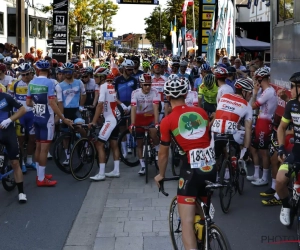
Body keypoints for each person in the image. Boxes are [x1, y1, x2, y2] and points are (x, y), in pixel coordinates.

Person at [154, 77, 216, 250]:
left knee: (187, 222)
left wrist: (161, 174)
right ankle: (207, 236)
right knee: (202, 214)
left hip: (191, 171)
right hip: (210, 166)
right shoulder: (202, 112)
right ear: (186, 93)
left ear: (167, 96)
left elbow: (163, 153)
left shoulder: (167, 121)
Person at [26, 60, 73, 186]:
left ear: (37, 70)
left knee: (38, 146)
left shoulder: (31, 82)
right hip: (47, 119)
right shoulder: (50, 82)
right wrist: (63, 118)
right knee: (44, 149)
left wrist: (38, 105)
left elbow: (28, 103)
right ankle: (41, 179)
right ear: (49, 70)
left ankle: (39, 175)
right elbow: (52, 103)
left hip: (36, 117)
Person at [211, 78, 254, 174]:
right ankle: (239, 159)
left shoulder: (224, 96)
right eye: (250, 93)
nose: (251, 95)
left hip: (215, 132)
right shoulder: (247, 105)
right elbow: (248, 128)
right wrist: (246, 149)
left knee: (216, 156)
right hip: (232, 136)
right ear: (243, 91)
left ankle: (218, 174)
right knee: (246, 133)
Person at [276, 72, 300, 226]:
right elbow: (281, 128)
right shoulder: (292, 104)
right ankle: (286, 205)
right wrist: (281, 149)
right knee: (279, 181)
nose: (290, 89)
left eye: (292, 86)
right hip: (297, 151)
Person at [89, 73, 122, 181]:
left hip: (110, 119)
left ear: (102, 77)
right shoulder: (110, 85)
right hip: (115, 117)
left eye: (96, 77)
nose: (94, 79)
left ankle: (101, 173)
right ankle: (116, 170)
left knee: (99, 144)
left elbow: (99, 105)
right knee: (114, 143)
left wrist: (93, 121)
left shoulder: (103, 87)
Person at [248, 67, 277, 186]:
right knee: (254, 148)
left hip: (265, 123)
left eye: (256, 79)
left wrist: (254, 93)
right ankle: (256, 174)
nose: (255, 82)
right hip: (261, 121)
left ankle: (264, 178)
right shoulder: (265, 90)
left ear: (261, 79)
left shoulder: (269, 92)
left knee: (263, 152)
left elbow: (252, 106)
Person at [55, 62, 87, 165]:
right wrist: (61, 116)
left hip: (76, 110)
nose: (67, 73)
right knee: (65, 135)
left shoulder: (79, 82)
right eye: (65, 72)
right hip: (65, 111)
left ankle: (86, 144)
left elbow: (84, 95)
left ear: (73, 72)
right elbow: (59, 102)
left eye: (69, 71)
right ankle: (68, 156)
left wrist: (81, 106)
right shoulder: (59, 86)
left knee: (80, 127)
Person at [129, 73, 160, 175]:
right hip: (139, 118)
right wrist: (132, 123)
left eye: (149, 84)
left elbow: (156, 108)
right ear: (141, 84)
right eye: (145, 85)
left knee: (154, 132)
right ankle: (142, 166)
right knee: (139, 143)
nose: (148, 87)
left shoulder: (155, 92)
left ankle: (156, 149)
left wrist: (156, 123)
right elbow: (133, 109)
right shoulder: (135, 93)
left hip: (150, 117)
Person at [9, 63, 36, 173]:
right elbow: (9, 98)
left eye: (27, 74)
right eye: (22, 74)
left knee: (33, 138)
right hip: (19, 115)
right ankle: (22, 162)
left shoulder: (36, 83)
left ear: (31, 72)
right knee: (20, 139)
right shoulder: (15, 84)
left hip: (32, 114)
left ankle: (29, 160)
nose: (25, 77)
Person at [0, 89, 27, 202]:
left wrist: (9, 120)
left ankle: (21, 192)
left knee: (15, 163)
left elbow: (22, 109)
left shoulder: (6, 97)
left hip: (8, 133)